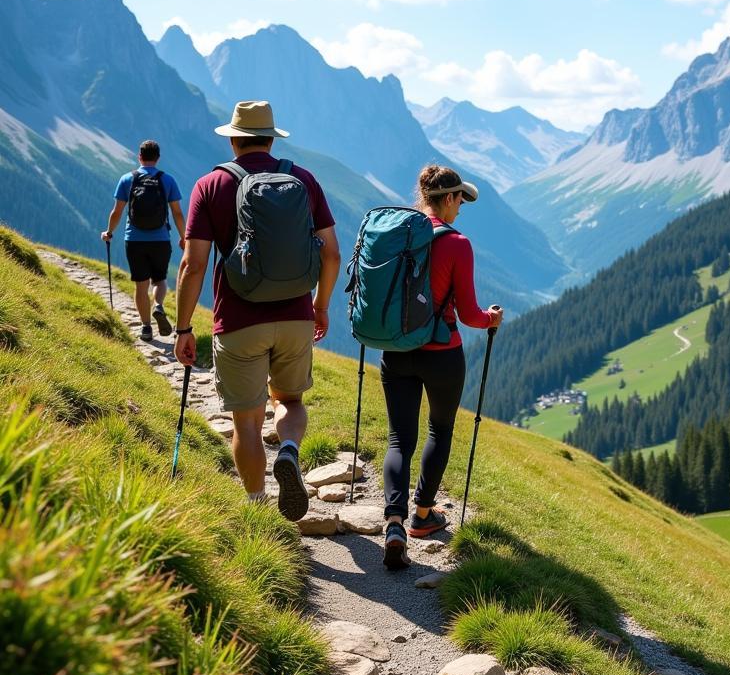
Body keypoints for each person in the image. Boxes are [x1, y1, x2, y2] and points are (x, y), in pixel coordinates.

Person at [173, 101, 341, 520]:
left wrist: (182, 328)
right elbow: (332, 255)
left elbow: (193, 264)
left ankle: (258, 509)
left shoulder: (211, 185)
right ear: (271, 136)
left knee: (245, 422)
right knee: (290, 400)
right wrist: (320, 306)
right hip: (296, 316)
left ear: (233, 139)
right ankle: (288, 449)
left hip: (239, 320)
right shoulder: (302, 179)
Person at [381, 164, 503, 570]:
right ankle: (422, 516)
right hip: (441, 352)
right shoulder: (458, 244)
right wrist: (491, 319)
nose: (461, 209)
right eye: (460, 200)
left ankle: (394, 522)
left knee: (399, 437)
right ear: (448, 199)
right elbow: (468, 314)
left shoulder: (398, 232)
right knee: (440, 428)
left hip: (396, 349)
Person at [101, 139, 186, 341]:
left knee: (141, 285)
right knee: (160, 279)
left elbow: (117, 211)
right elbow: (177, 213)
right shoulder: (168, 180)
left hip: (134, 239)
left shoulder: (127, 179)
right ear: (157, 158)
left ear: (139, 156)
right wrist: (184, 237)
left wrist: (109, 232)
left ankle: (146, 327)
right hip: (161, 240)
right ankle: (158, 305)